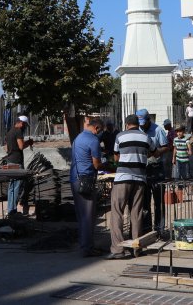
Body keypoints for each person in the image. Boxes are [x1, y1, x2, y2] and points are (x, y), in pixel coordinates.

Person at [107, 114, 152, 259]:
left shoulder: (120, 136)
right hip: (140, 179)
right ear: (138, 124)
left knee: (117, 212)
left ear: (127, 124)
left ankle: (118, 250)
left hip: (122, 178)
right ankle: (136, 249)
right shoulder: (145, 137)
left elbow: (116, 157)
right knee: (136, 213)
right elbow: (152, 152)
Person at [70, 116, 104, 257]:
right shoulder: (93, 140)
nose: (99, 133)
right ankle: (87, 248)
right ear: (96, 128)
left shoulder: (78, 138)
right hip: (86, 180)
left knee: (81, 215)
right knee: (88, 216)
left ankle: (84, 245)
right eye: (99, 131)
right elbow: (96, 164)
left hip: (74, 178)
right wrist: (107, 165)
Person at [136, 108, 169, 234]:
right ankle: (147, 229)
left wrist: (155, 153)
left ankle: (159, 229)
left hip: (156, 168)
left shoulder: (158, 130)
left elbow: (166, 146)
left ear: (149, 119)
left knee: (159, 201)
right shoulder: (137, 130)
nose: (142, 125)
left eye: (144, 122)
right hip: (142, 169)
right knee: (144, 201)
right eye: (140, 123)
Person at [4, 115, 32, 216]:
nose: (25, 127)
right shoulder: (18, 131)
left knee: (11, 187)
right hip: (17, 162)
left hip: (10, 161)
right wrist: (28, 143)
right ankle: (13, 211)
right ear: (21, 123)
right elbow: (21, 146)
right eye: (25, 125)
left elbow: (6, 149)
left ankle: (10, 209)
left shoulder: (9, 132)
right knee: (16, 187)